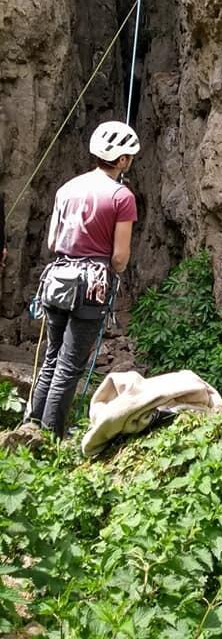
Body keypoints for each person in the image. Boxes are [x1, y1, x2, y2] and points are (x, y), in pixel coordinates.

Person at [27, 120, 140, 438]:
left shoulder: (66, 189)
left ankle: (31, 427)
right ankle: (50, 437)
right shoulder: (122, 197)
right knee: (69, 366)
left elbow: (53, 242)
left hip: (57, 280)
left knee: (51, 358)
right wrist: (112, 271)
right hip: (90, 285)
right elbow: (119, 258)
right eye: (130, 156)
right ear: (121, 160)